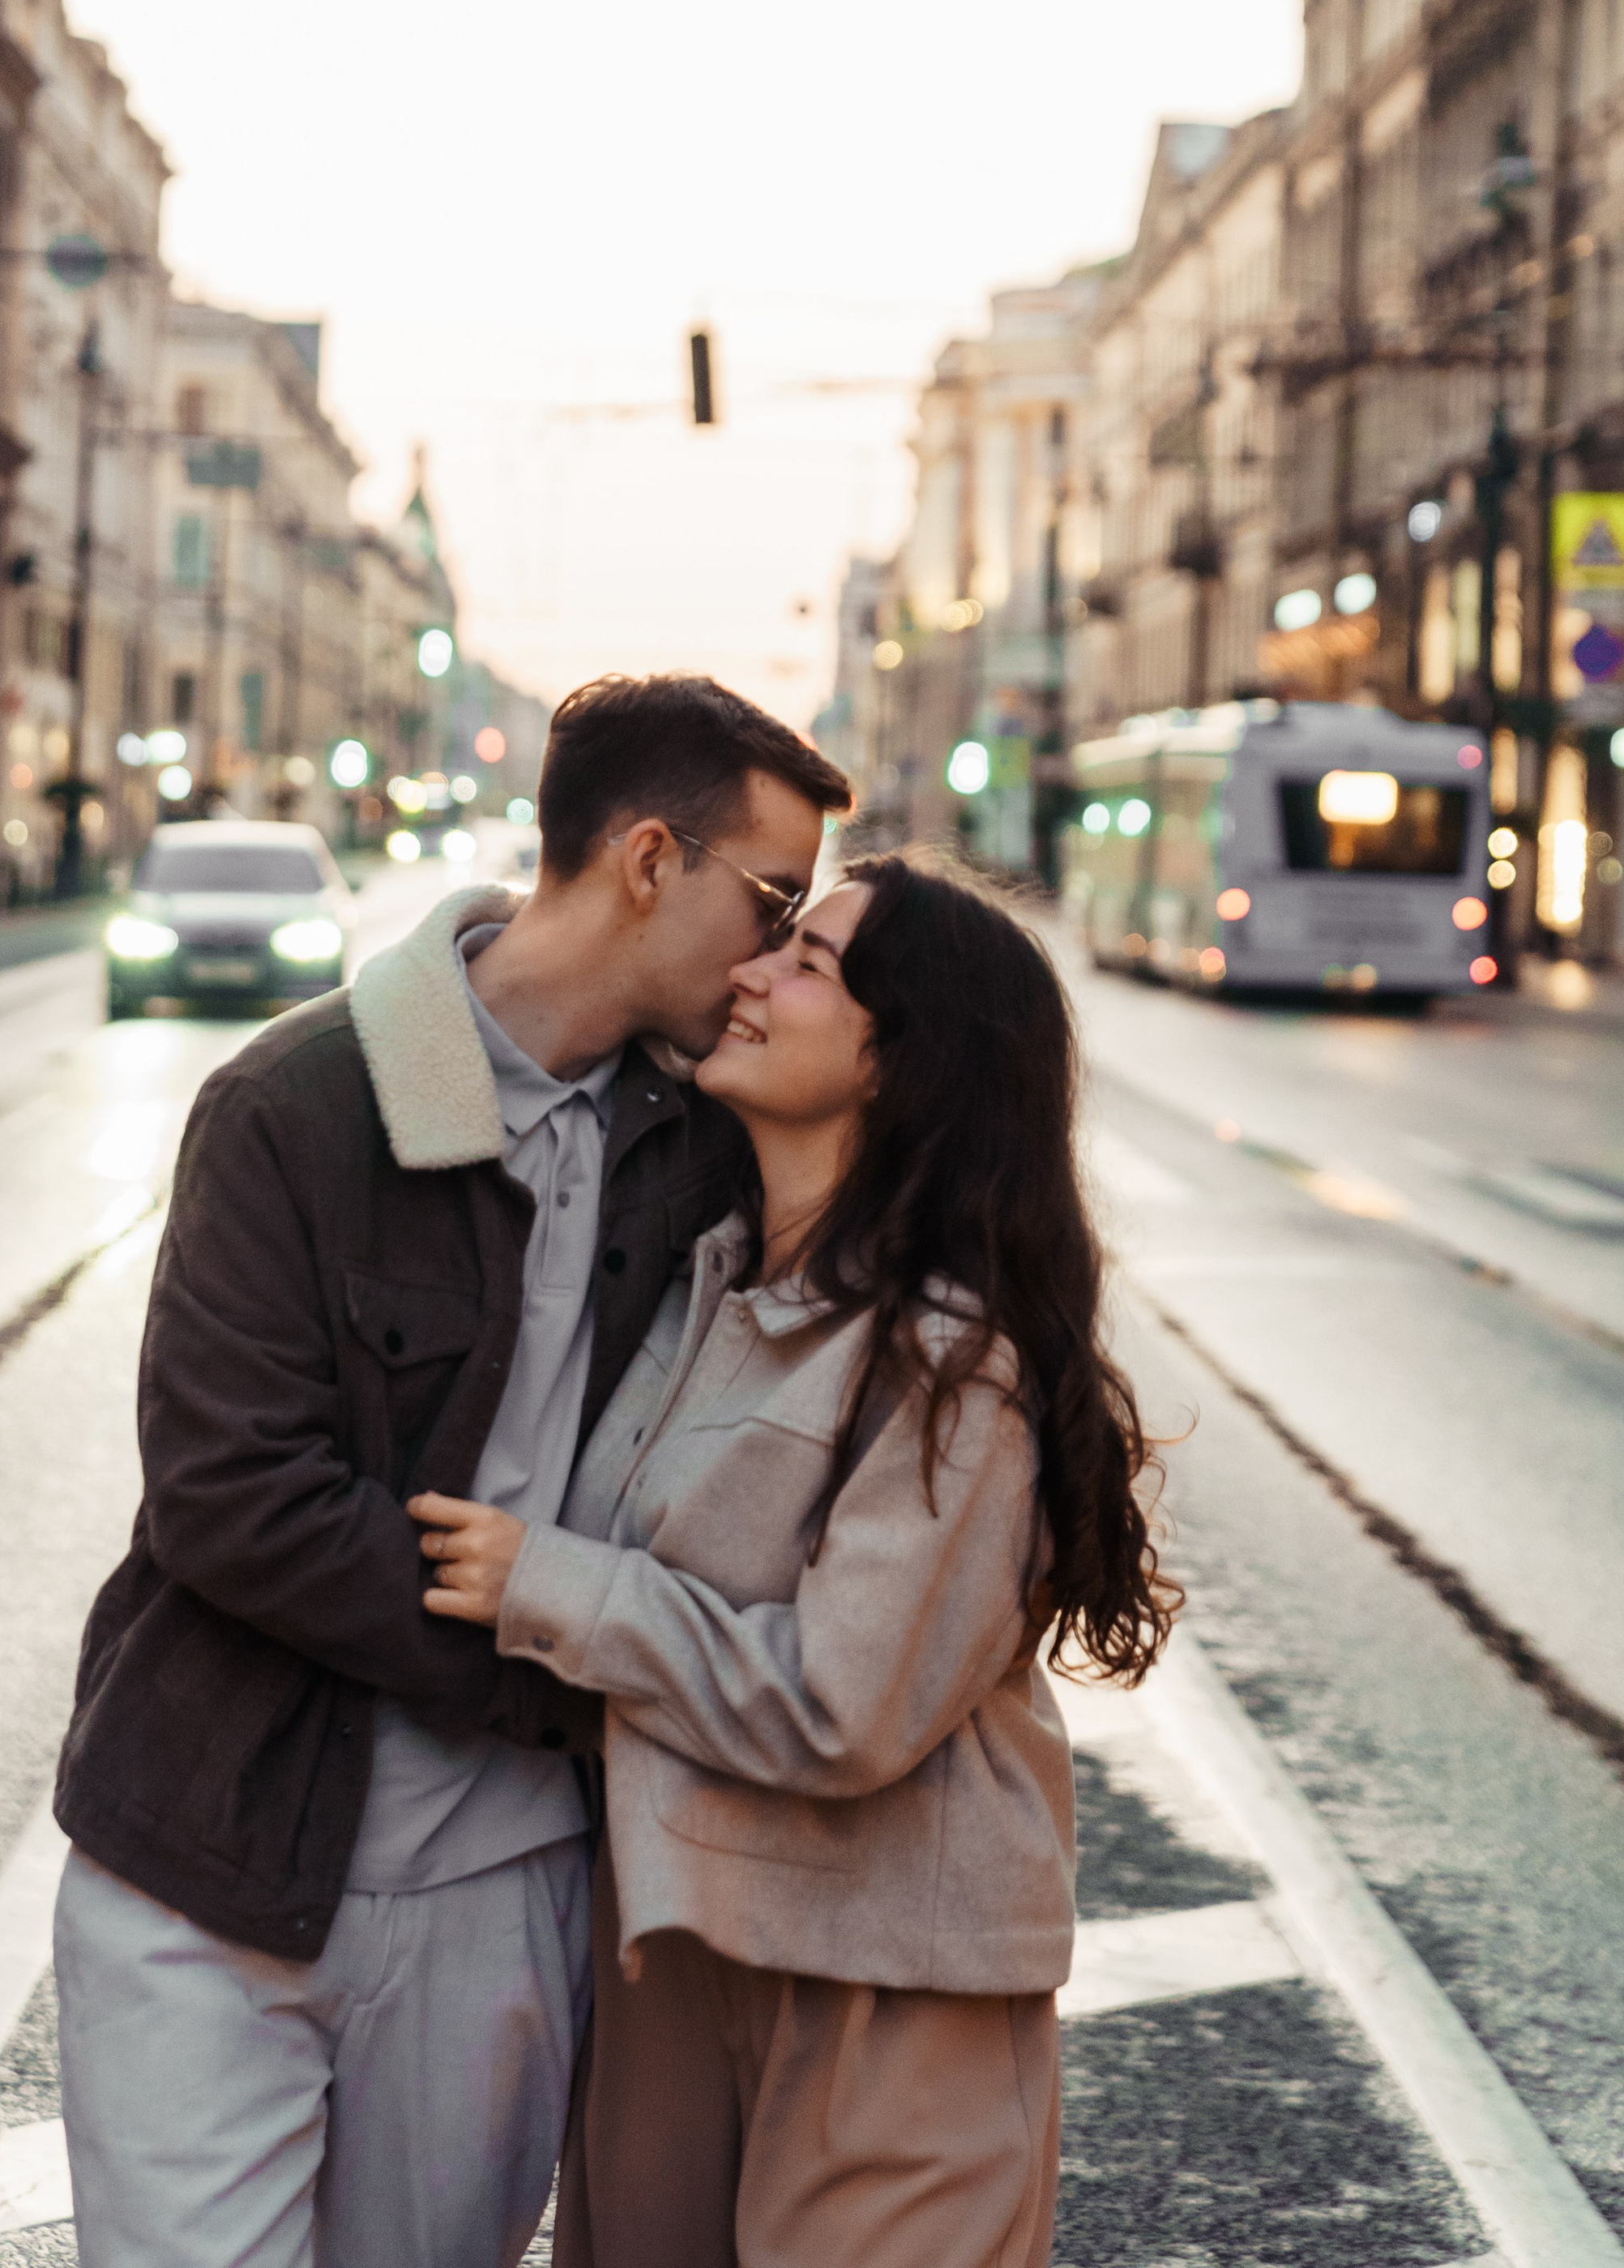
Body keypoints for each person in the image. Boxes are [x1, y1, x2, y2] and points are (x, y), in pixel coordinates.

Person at [50, 673, 853, 2268]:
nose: (774, 953)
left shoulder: (705, 1151)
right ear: (644, 862)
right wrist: (547, 1666)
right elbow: (228, 1491)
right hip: (208, 1858)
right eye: (770, 899)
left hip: (506, 1889)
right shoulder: (295, 1106)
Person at [412, 855, 1176, 2268]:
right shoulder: (706, 1285)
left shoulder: (957, 1360)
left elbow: (848, 1703)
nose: (750, 974)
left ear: (907, 1061)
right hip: (674, 1955)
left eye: (808, 963)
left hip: (890, 1983)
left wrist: (550, 1587)